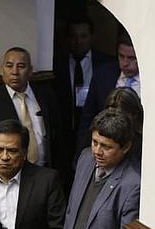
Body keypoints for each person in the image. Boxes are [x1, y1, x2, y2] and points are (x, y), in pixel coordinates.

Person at [0, 47, 61, 177]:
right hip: (8, 176)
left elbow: (58, 138)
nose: (14, 72)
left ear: (30, 71)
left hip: (44, 172)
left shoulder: (46, 95)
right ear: (2, 70)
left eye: (21, 66)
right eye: (9, 66)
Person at [53, 18, 118, 171]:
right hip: (65, 132)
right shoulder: (57, 64)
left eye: (83, 36)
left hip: (96, 131)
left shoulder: (106, 64)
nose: (78, 41)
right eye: (74, 37)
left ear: (91, 37)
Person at [78, 33, 140, 149]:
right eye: (121, 56)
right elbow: (88, 117)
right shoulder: (103, 74)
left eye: (132, 58)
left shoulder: (152, 83)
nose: (125, 63)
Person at [103, 87, 143, 168]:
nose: (114, 121)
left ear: (134, 114)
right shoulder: (97, 134)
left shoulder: (143, 145)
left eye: (120, 116)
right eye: (110, 115)